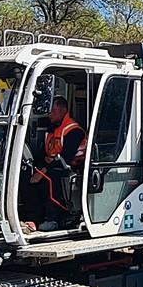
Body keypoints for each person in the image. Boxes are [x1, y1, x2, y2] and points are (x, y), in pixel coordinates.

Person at [21, 96, 87, 231]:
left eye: (52, 111)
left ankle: (52, 219)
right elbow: (44, 153)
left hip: (72, 168)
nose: (49, 114)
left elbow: (65, 158)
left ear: (63, 110)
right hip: (53, 165)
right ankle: (32, 219)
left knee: (50, 178)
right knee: (26, 175)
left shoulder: (74, 131)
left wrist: (43, 172)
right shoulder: (52, 129)